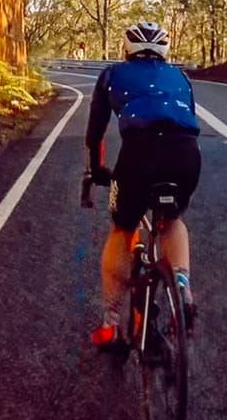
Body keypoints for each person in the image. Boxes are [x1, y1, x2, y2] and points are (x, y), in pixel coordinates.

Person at [85, 22, 201, 350]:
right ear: (165, 51)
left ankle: (110, 322)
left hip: (139, 156)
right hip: (186, 156)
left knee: (122, 230)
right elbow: (188, 121)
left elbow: (95, 134)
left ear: (127, 49)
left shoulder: (112, 74)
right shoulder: (181, 77)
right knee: (172, 221)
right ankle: (182, 289)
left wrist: (97, 170)